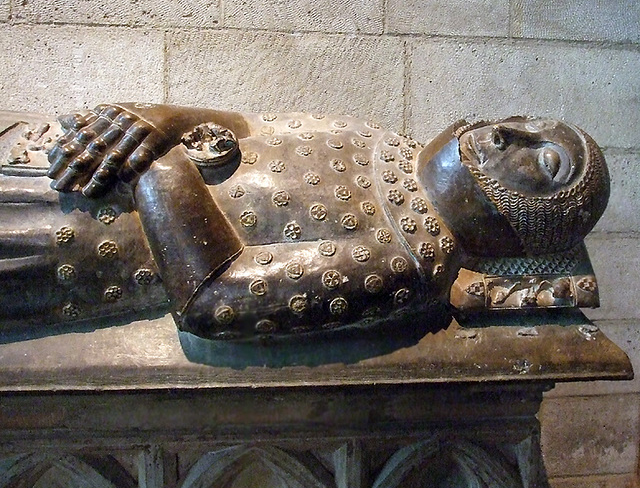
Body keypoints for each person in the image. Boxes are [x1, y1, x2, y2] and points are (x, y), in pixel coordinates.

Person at [0, 103, 609, 341]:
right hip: (61, 155)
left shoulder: (412, 258)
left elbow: (218, 297)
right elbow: (244, 127)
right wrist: (155, 118)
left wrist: (158, 160)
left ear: (537, 221)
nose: (507, 133)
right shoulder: (379, 140)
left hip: (72, 241)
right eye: (531, 124)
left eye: (546, 161)